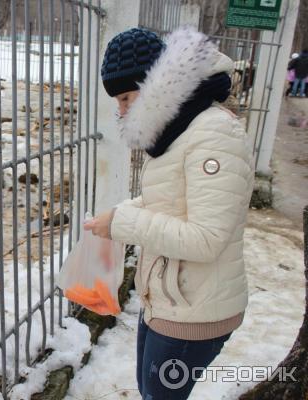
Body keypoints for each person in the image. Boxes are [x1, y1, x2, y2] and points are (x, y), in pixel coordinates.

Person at [84, 27, 254, 399]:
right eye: (118, 102)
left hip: (196, 311)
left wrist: (123, 223)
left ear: (157, 85)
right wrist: (115, 216)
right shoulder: (180, 130)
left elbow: (206, 238)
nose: (122, 111)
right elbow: (172, 202)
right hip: (168, 300)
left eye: (127, 98)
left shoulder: (212, 134)